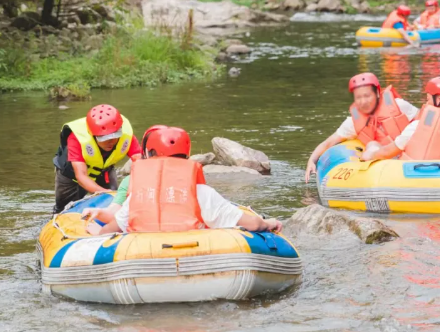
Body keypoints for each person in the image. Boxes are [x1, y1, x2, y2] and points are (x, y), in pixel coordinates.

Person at [98, 126, 282, 234]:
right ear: (187, 155)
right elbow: (254, 224)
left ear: (151, 154)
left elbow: (111, 228)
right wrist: (268, 223)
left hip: (140, 259)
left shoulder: (140, 194)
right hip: (193, 258)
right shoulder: (202, 193)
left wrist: (94, 234)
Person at [304, 72, 419, 183]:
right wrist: (312, 160)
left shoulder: (399, 106)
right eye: (358, 97)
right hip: (383, 166)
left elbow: (423, 125)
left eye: (367, 96)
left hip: (410, 156)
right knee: (372, 145)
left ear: (377, 93)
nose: (363, 102)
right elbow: (328, 143)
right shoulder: (353, 123)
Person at [53, 104, 141, 213]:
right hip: (71, 176)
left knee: (115, 201)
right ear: (93, 134)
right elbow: (81, 176)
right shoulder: (77, 138)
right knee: (63, 209)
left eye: (115, 136)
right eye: (105, 138)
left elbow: (141, 162)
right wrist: (105, 192)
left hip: (104, 171)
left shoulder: (126, 135)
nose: (111, 141)